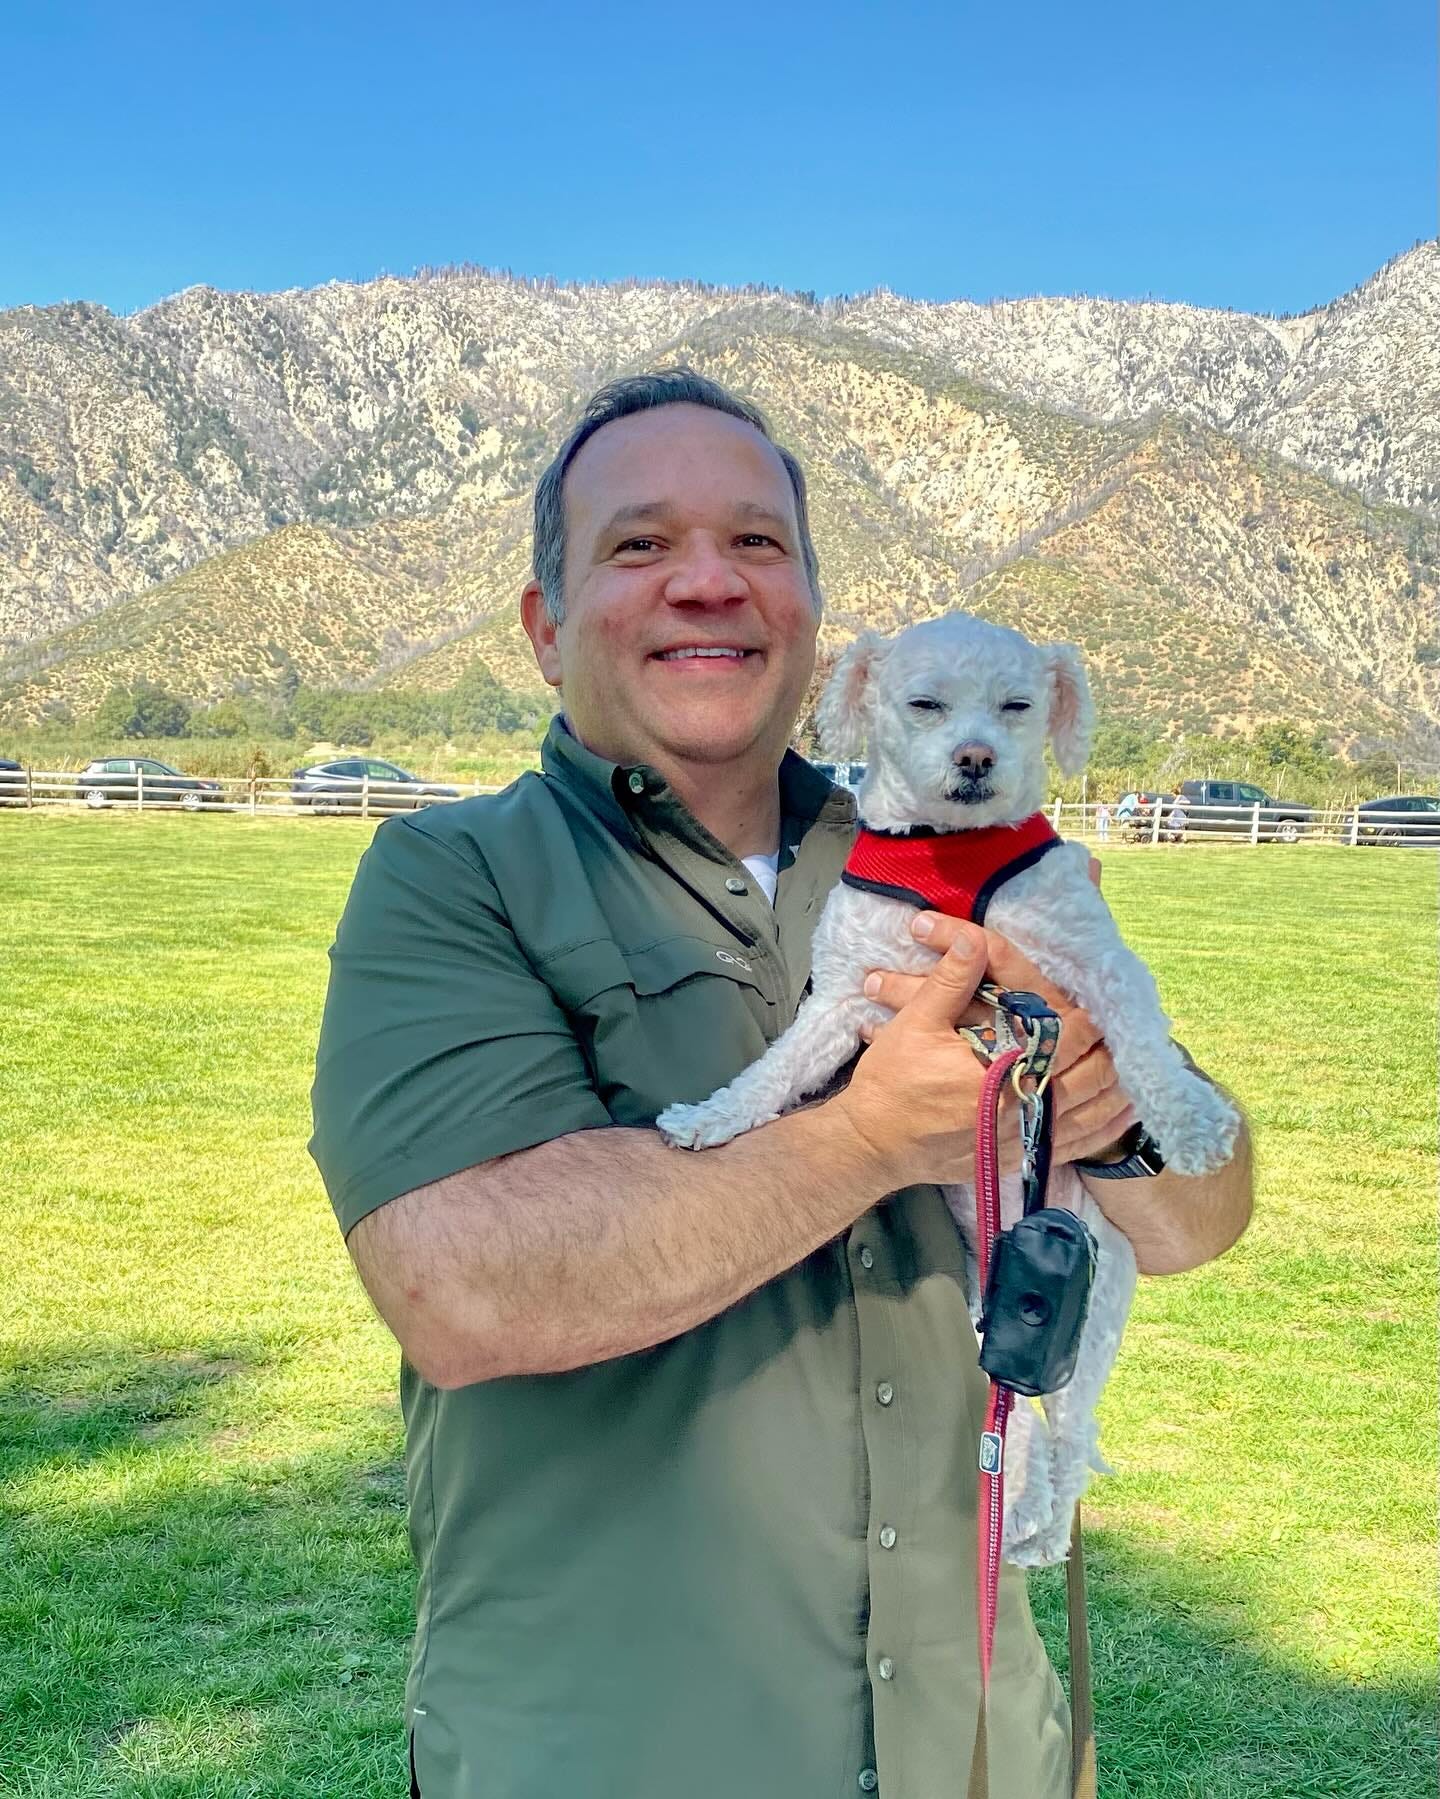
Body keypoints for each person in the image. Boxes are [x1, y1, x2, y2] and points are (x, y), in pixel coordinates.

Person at [309, 370, 1254, 1799]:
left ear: (819, 622)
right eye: (638, 546)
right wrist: (873, 1138)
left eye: (759, 543)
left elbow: (1209, 1213)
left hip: (979, 1739)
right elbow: (464, 1285)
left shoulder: (961, 853)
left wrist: (1103, 1096)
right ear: (542, 623)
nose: (708, 584)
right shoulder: (452, 881)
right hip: (623, 1755)